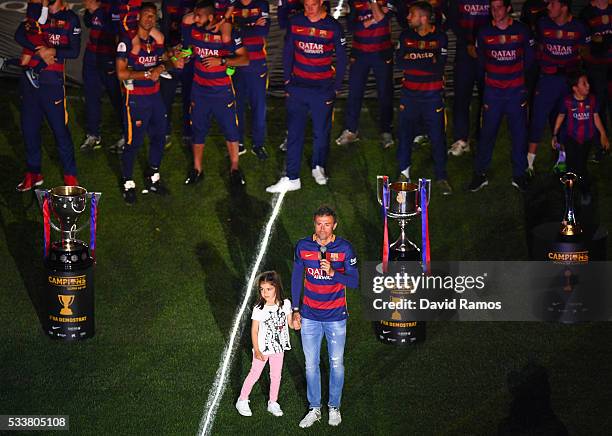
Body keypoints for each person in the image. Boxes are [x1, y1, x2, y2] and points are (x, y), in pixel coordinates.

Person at [266, 0, 348, 193]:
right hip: (297, 88)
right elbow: (288, 52)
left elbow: (342, 58)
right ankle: (292, 177)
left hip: (322, 89)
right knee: (294, 132)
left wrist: (335, 87)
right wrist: (287, 80)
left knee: (321, 132)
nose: (309, 8)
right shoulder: (296, 22)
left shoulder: (333, 27)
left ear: (321, 3)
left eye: (312, 4)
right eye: (306, 4)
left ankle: (318, 167)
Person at [291, 206, 358, 428]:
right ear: (314, 223)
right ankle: (314, 408)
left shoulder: (345, 248)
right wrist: (295, 309)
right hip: (309, 316)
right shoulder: (303, 246)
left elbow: (355, 281)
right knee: (311, 365)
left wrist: (333, 273)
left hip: (336, 317)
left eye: (327, 224)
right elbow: (296, 277)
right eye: (319, 223)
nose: (322, 229)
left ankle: (334, 407)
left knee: (336, 363)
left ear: (334, 225)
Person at [14, 0, 82, 191]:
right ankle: (33, 173)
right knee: (29, 130)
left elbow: (74, 51)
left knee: (60, 131)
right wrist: (39, 50)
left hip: (52, 84)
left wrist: (53, 51)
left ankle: (70, 176)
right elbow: (19, 35)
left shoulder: (70, 18)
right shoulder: (36, 12)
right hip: (29, 82)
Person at [181, 0, 249, 188]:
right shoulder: (194, 30)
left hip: (222, 91)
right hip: (200, 90)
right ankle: (197, 169)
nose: (195, 19)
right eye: (195, 15)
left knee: (230, 131)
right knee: (198, 130)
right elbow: (185, 21)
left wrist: (222, 61)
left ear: (210, 17)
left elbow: (244, 59)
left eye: (199, 16)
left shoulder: (227, 33)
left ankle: (235, 168)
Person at [468, 0, 534, 193]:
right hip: (493, 93)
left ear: (508, 9)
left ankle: (519, 175)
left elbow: (529, 62)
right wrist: (486, 91)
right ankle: (480, 174)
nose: (495, 11)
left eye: (498, 7)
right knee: (487, 133)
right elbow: (481, 65)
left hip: (516, 92)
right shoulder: (484, 32)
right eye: (492, 8)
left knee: (519, 134)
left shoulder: (522, 31)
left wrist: (524, 89)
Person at [116, 2, 178, 203]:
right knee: (133, 142)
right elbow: (121, 73)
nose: (149, 19)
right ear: (139, 16)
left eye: (153, 16)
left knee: (160, 136)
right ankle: (128, 182)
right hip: (135, 99)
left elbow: (167, 60)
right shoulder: (127, 41)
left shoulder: (157, 39)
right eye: (146, 15)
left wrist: (162, 66)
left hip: (155, 97)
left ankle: (153, 177)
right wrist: (146, 73)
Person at [395, 1, 452, 195]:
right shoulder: (405, 36)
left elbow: (439, 66)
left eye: (412, 14)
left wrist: (415, 59)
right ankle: (404, 173)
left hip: (432, 97)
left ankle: (441, 177)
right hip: (409, 95)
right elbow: (400, 62)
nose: (408, 17)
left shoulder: (440, 37)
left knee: (437, 137)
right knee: (405, 134)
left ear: (424, 18)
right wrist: (428, 59)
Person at [527, 0, 589, 174]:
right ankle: (529, 162)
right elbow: (538, 47)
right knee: (538, 116)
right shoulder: (542, 23)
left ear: (564, 7)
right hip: (547, 79)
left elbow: (584, 50)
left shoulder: (579, 27)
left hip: (568, 82)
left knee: (565, 118)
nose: (548, 7)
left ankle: (562, 159)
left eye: (552, 4)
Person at [335, 0, 394, 149]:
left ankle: (386, 131)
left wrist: (374, 5)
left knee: (385, 93)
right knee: (354, 92)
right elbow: (351, 27)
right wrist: (371, 20)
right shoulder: (354, 2)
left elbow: (385, 20)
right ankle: (351, 130)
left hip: (382, 53)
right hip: (360, 54)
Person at [235, 271, 293, 418]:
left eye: (269, 289)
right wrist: (257, 349)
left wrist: (297, 321)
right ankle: (242, 399)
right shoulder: (259, 308)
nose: (265, 292)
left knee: (276, 375)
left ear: (277, 288)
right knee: (255, 373)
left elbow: (291, 324)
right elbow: (254, 330)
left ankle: (273, 402)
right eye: (262, 289)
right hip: (262, 348)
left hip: (279, 348)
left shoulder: (286, 304)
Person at [551, 72, 609, 204]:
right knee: (571, 164)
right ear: (575, 88)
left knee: (581, 166)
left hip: (587, 139)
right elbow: (560, 116)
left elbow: (595, 117)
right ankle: (570, 188)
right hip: (571, 138)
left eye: (587, 82)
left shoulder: (592, 100)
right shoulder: (567, 101)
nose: (588, 86)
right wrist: (555, 134)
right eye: (584, 83)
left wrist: (603, 134)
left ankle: (585, 191)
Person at [80, 0, 125, 151]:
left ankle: (127, 135)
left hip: (110, 58)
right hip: (92, 56)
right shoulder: (95, 10)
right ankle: (93, 135)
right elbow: (88, 23)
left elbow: (118, 32)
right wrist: (92, 11)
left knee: (117, 98)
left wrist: (116, 60)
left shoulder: (114, 6)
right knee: (91, 96)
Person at [447, 0, 490, 156]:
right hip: (465, 52)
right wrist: (468, 42)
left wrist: (480, 44)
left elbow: (499, 17)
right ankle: (461, 140)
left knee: (487, 98)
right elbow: (452, 20)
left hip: (488, 51)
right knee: (461, 96)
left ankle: (483, 137)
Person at [233, 0, 270, 160]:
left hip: (257, 64)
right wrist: (253, 26)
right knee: (237, 104)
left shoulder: (261, 4)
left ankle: (258, 144)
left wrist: (242, 28)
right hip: (237, 63)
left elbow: (264, 30)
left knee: (258, 106)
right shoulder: (232, 6)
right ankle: (239, 142)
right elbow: (230, 34)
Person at [580, 0, 611, 163]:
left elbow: (599, 41)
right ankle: (602, 147)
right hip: (596, 69)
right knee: (597, 107)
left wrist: (602, 41)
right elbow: (585, 43)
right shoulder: (586, 13)